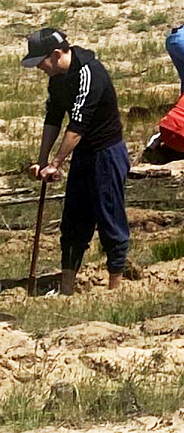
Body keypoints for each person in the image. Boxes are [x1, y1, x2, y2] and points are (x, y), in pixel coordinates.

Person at [22, 28, 130, 295]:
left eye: (40, 63)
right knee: (73, 221)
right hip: (82, 155)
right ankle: (67, 287)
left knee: (110, 219)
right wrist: (42, 160)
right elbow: (54, 118)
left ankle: (115, 289)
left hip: (106, 153)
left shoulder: (89, 73)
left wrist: (56, 163)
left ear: (56, 55)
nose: (39, 69)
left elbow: (78, 125)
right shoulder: (57, 79)